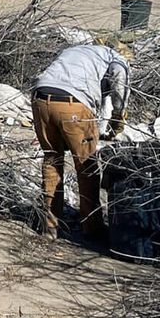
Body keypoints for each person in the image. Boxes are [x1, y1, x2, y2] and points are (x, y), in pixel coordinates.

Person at [30, 42, 130, 242]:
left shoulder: (74, 50)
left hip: (40, 100)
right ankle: (92, 229)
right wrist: (119, 116)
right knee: (87, 166)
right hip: (73, 105)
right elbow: (119, 79)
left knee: (52, 160)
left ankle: (49, 226)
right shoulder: (115, 58)